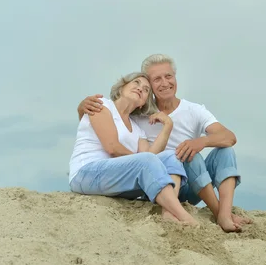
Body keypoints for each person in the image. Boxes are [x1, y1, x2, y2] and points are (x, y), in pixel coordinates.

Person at [78, 54, 251, 233]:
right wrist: (82, 108)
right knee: (188, 156)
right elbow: (107, 126)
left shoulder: (194, 110)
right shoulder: (139, 112)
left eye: (168, 76)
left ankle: (224, 214)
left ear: (175, 78)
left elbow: (229, 136)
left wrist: (201, 141)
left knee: (224, 151)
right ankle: (212, 213)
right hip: (158, 184)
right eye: (156, 79)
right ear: (151, 86)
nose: (164, 83)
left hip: (192, 185)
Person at [69, 72, 198, 226]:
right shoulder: (102, 105)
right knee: (147, 161)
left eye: (145, 90)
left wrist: (167, 126)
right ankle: (184, 216)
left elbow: (151, 157)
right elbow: (112, 147)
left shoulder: (137, 130)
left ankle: (169, 213)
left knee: (171, 156)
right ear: (122, 87)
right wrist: (141, 160)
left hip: (114, 182)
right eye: (136, 83)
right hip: (85, 174)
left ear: (143, 102)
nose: (140, 89)